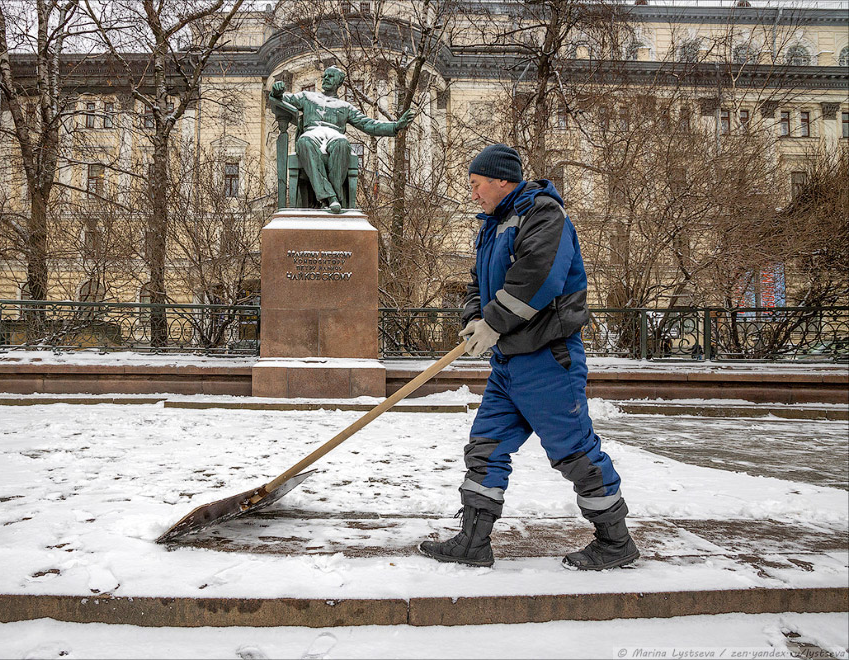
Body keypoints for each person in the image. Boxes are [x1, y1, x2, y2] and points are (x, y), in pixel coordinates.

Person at [418, 143, 639, 571]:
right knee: (486, 445)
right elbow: (475, 284)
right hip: (507, 363)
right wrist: (474, 319)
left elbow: (538, 276)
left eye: (477, 184)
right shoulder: (492, 226)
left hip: (545, 359)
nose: (473, 193)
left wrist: (494, 322)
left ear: (502, 179)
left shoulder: (543, 214)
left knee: (574, 452)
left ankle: (615, 541)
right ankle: (473, 541)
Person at [269, 66, 415, 213]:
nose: (326, 78)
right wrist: (277, 91)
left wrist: (395, 126)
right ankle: (331, 198)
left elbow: (368, 125)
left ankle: (330, 197)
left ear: (339, 82)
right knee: (304, 141)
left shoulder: (345, 107)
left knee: (343, 143)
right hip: (312, 134)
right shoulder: (307, 97)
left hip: (334, 136)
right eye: (325, 76)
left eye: (330, 77)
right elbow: (282, 99)